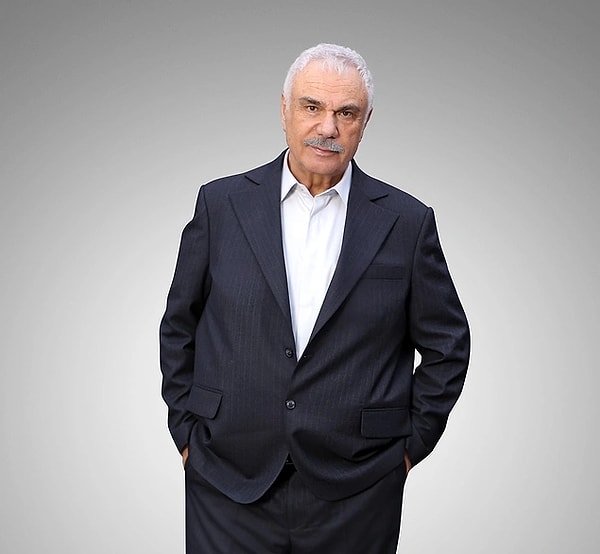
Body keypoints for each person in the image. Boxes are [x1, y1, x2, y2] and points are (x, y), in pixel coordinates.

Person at [160, 43, 470, 553]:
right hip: (225, 477)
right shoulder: (221, 204)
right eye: (312, 107)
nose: (328, 127)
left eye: (346, 113)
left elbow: (448, 345)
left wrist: (408, 450)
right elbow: (179, 324)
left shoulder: (407, 222)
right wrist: (186, 433)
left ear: (365, 122)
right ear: (284, 109)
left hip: (358, 486)